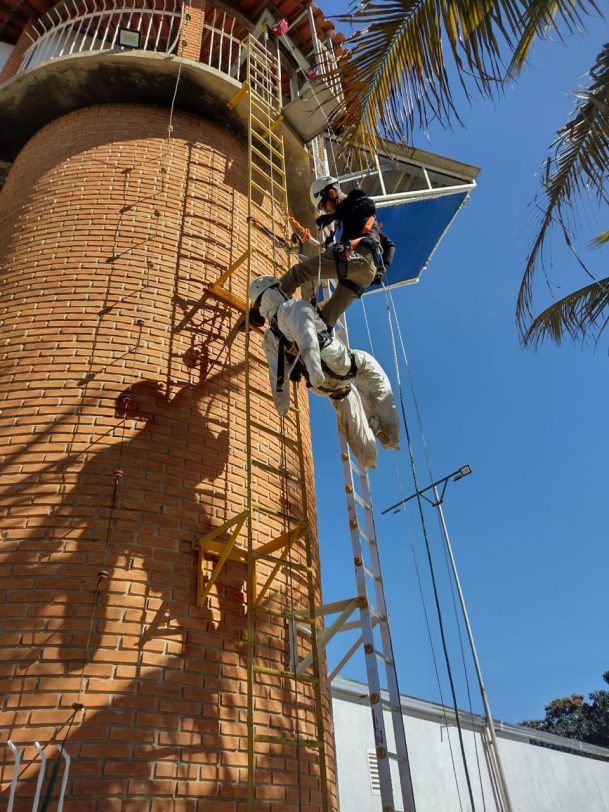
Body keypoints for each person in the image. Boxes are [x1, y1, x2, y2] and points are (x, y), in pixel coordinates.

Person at [249, 276, 399, 470]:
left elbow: (276, 374)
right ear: (275, 291)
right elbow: (306, 332)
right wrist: (314, 368)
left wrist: (282, 404)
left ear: (260, 306)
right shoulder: (293, 307)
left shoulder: (270, 338)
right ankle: (390, 437)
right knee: (377, 385)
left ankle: (368, 457)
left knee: (351, 412)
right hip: (341, 364)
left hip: (325, 387)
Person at [278, 176, 382, 327]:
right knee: (324, 319)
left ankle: (268, 302)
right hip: (364, 275)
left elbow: (367, 206)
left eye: (323, 205)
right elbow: (389, 245)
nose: (324, 210)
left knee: (299, 272)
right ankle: (314, 340)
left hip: (359, 257)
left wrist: (332, 216)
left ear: (332, 193)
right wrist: (380, 271)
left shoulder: (358, 199)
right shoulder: (361, 222)